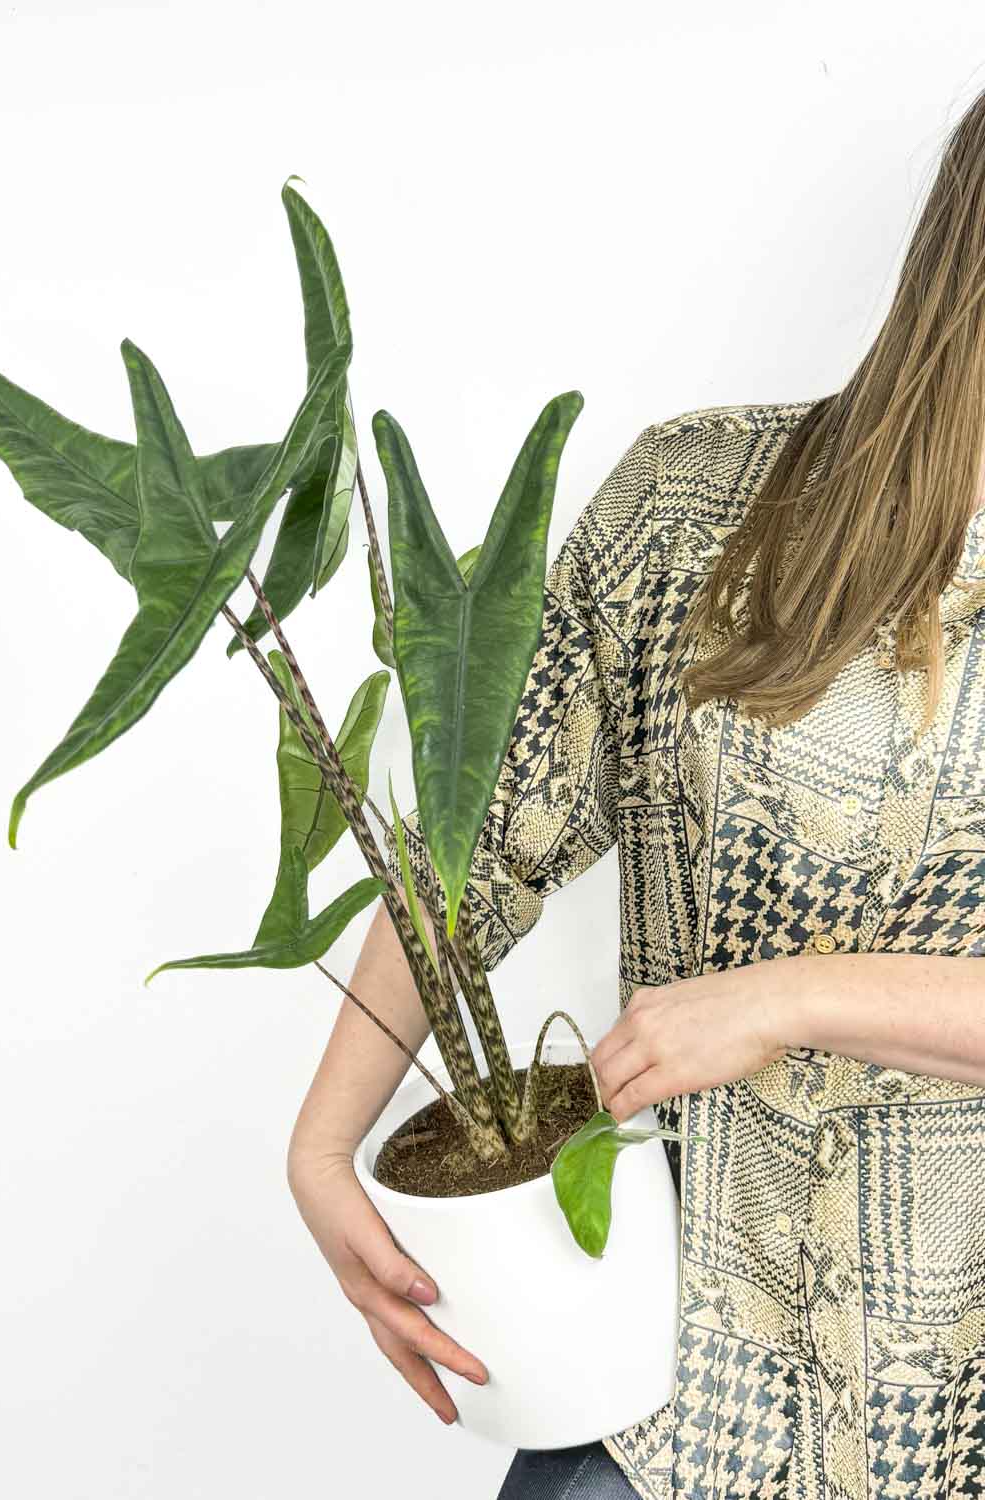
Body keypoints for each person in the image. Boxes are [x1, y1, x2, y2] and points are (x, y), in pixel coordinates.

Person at [287, 83, 985, 1500]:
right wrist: (321, 1143)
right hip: (668, 1383)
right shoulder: (694, 502)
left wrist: (793, 994)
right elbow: (484, 835)